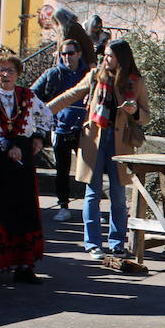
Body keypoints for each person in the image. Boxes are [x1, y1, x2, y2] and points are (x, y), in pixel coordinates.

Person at [49, 39, 149, 269]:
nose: (106, 59)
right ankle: (93, 243)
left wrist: (134, 112)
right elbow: (70, 95)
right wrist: (43, 110)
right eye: (104, 55)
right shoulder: (95, 75)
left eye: (110, 56)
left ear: (122, 58)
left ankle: (116, 243)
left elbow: (146, 115)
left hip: (120, 143)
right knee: (92, 194)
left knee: (118, 196)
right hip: (94, 140)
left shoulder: (136, 81)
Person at [0, 53, 55, 283]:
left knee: (23, 210)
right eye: (0, 70)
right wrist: (4, 144)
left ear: (17, 74)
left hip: (22, 158)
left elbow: (46, 116)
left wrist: (38, 136)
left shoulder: (27, 96)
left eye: (10, 70)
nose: (4, 74)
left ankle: (24, 265)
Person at [32, 38, 90, 224]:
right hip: (60, 128)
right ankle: (63, 206)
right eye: (63, 53)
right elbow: (31, 93)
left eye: (71, 53)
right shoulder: (52, 74)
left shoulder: (88, 73)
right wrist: (45, 114)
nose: (66, 57)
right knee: (62, 170)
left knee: (90, 170)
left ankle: (90, 208)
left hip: (85, 129)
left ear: (79, 54)